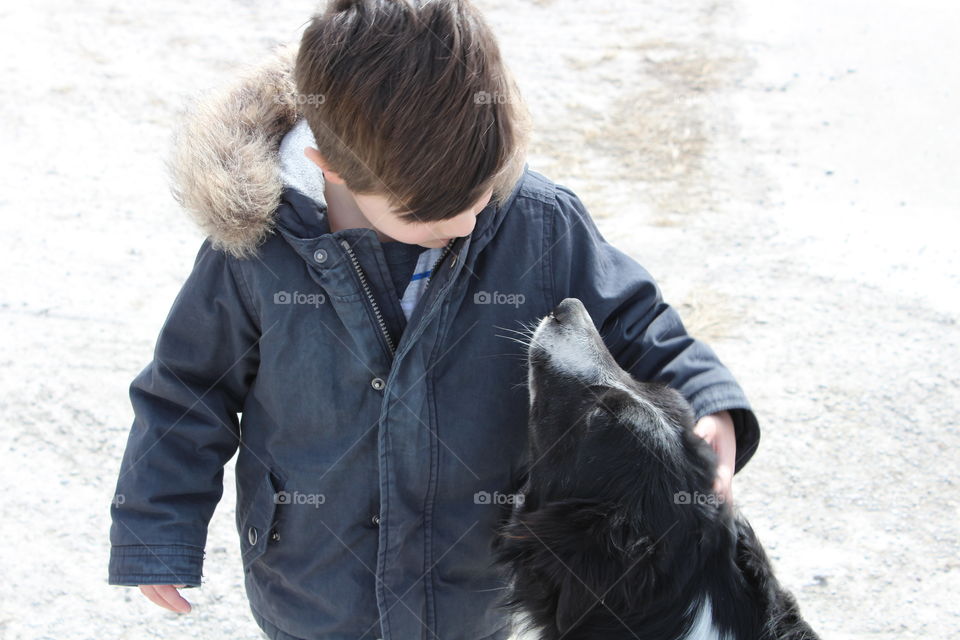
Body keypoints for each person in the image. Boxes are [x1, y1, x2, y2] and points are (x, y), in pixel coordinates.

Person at [107, 1, 760, 638]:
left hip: (473, 593)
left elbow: (638, 324)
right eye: (437, 214)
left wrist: (711, 405)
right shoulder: (258, 252)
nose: (470, 224)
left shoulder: (537, 222)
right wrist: (155, 528)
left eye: (481, 197)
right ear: (329, 167)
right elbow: (189, 387)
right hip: (314, 595)